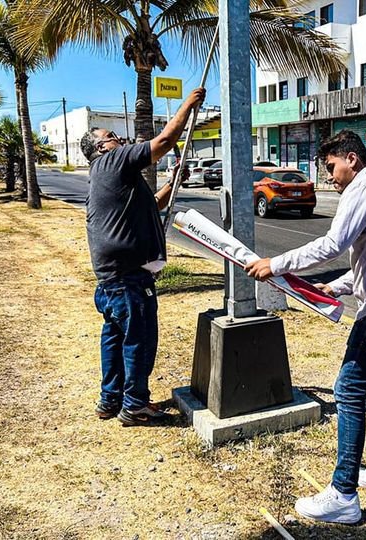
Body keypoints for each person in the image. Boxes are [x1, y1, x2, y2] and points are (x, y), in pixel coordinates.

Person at [245, 130, 366, 525]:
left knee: (348, 390)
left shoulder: (364, 185)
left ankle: (343, 495)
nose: (329, 176)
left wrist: (276, 264)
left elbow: (333, 243)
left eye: (331, 166)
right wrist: (332, 286)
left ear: (351, 158)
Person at [81, 88, 206, 427]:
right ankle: (135, 405)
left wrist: (173, 180)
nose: (118, 139)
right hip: (127, 279)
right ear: (100, 147)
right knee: (139, 340)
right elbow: (165, 141)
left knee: (116, 337)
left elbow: (154, 204)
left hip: (110, 282)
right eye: (111, 137)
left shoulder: (106, 176)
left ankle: (110, 399)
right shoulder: (110, 161)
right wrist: (188, 105)